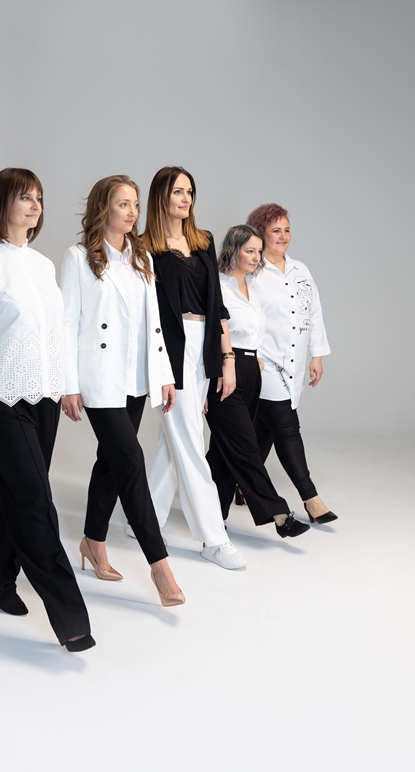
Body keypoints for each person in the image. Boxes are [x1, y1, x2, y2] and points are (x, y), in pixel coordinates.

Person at [0, 168, 95, 652]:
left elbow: (58, 335)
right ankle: (72, 619)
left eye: (38, 198)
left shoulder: (44, 266)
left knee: (15, 492)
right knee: (35, 501)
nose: (34, 206)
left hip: (44, 399)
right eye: (24, 197)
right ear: (2, 204)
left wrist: (67, 387)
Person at [60, 175, 185, 606]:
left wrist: (164, 375)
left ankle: (92, 541)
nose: (132, 212)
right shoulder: (78, 258)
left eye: (135, 205)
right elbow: (66, 324)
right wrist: (68, 385)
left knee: (111, 464)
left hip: (135, 378)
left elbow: (154, 325)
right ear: (103, 208)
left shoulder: (141, 257)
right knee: (130, 460)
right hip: (98, 379)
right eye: (122, 204)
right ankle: (160, 566)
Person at [135, 166, 247, 570]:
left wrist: (227, 359)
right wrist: (158, 362)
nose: (186, 199)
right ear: (160, 196)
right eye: (178, 191)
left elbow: (218, 306)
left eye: (190, 192)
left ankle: (143, 518)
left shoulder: (203, 241)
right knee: (189, 439)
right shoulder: (143, 248)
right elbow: (146, 312)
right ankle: (213, 538)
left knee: (175, 438)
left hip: (205, 347)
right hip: (170, 346)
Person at [205, 225, 311, 537]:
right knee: (246, 446)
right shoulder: (218, 285)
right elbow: (211, 333)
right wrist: (214, 373)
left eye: (258, 251)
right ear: (233, 250)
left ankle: (213, 516)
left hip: (252, 370)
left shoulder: (253, 284)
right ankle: (278, 513)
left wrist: (257, 357)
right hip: (225, 370)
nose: (256, 257)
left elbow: (260, 329)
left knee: (224, 451)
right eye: (249, 251)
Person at [244, 202, 337, 524]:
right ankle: (311, 498)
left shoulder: (300, 270)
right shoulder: (252, 272)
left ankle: (241, 482)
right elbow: (242, 316)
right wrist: (251, 356)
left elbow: (314, 312)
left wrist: (317, 355)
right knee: (286, 426)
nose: (283, 236)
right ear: (260, 234)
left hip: (295, 364)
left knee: (264, 428)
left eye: (287, 230)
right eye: (276, 230)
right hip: (265, 363)